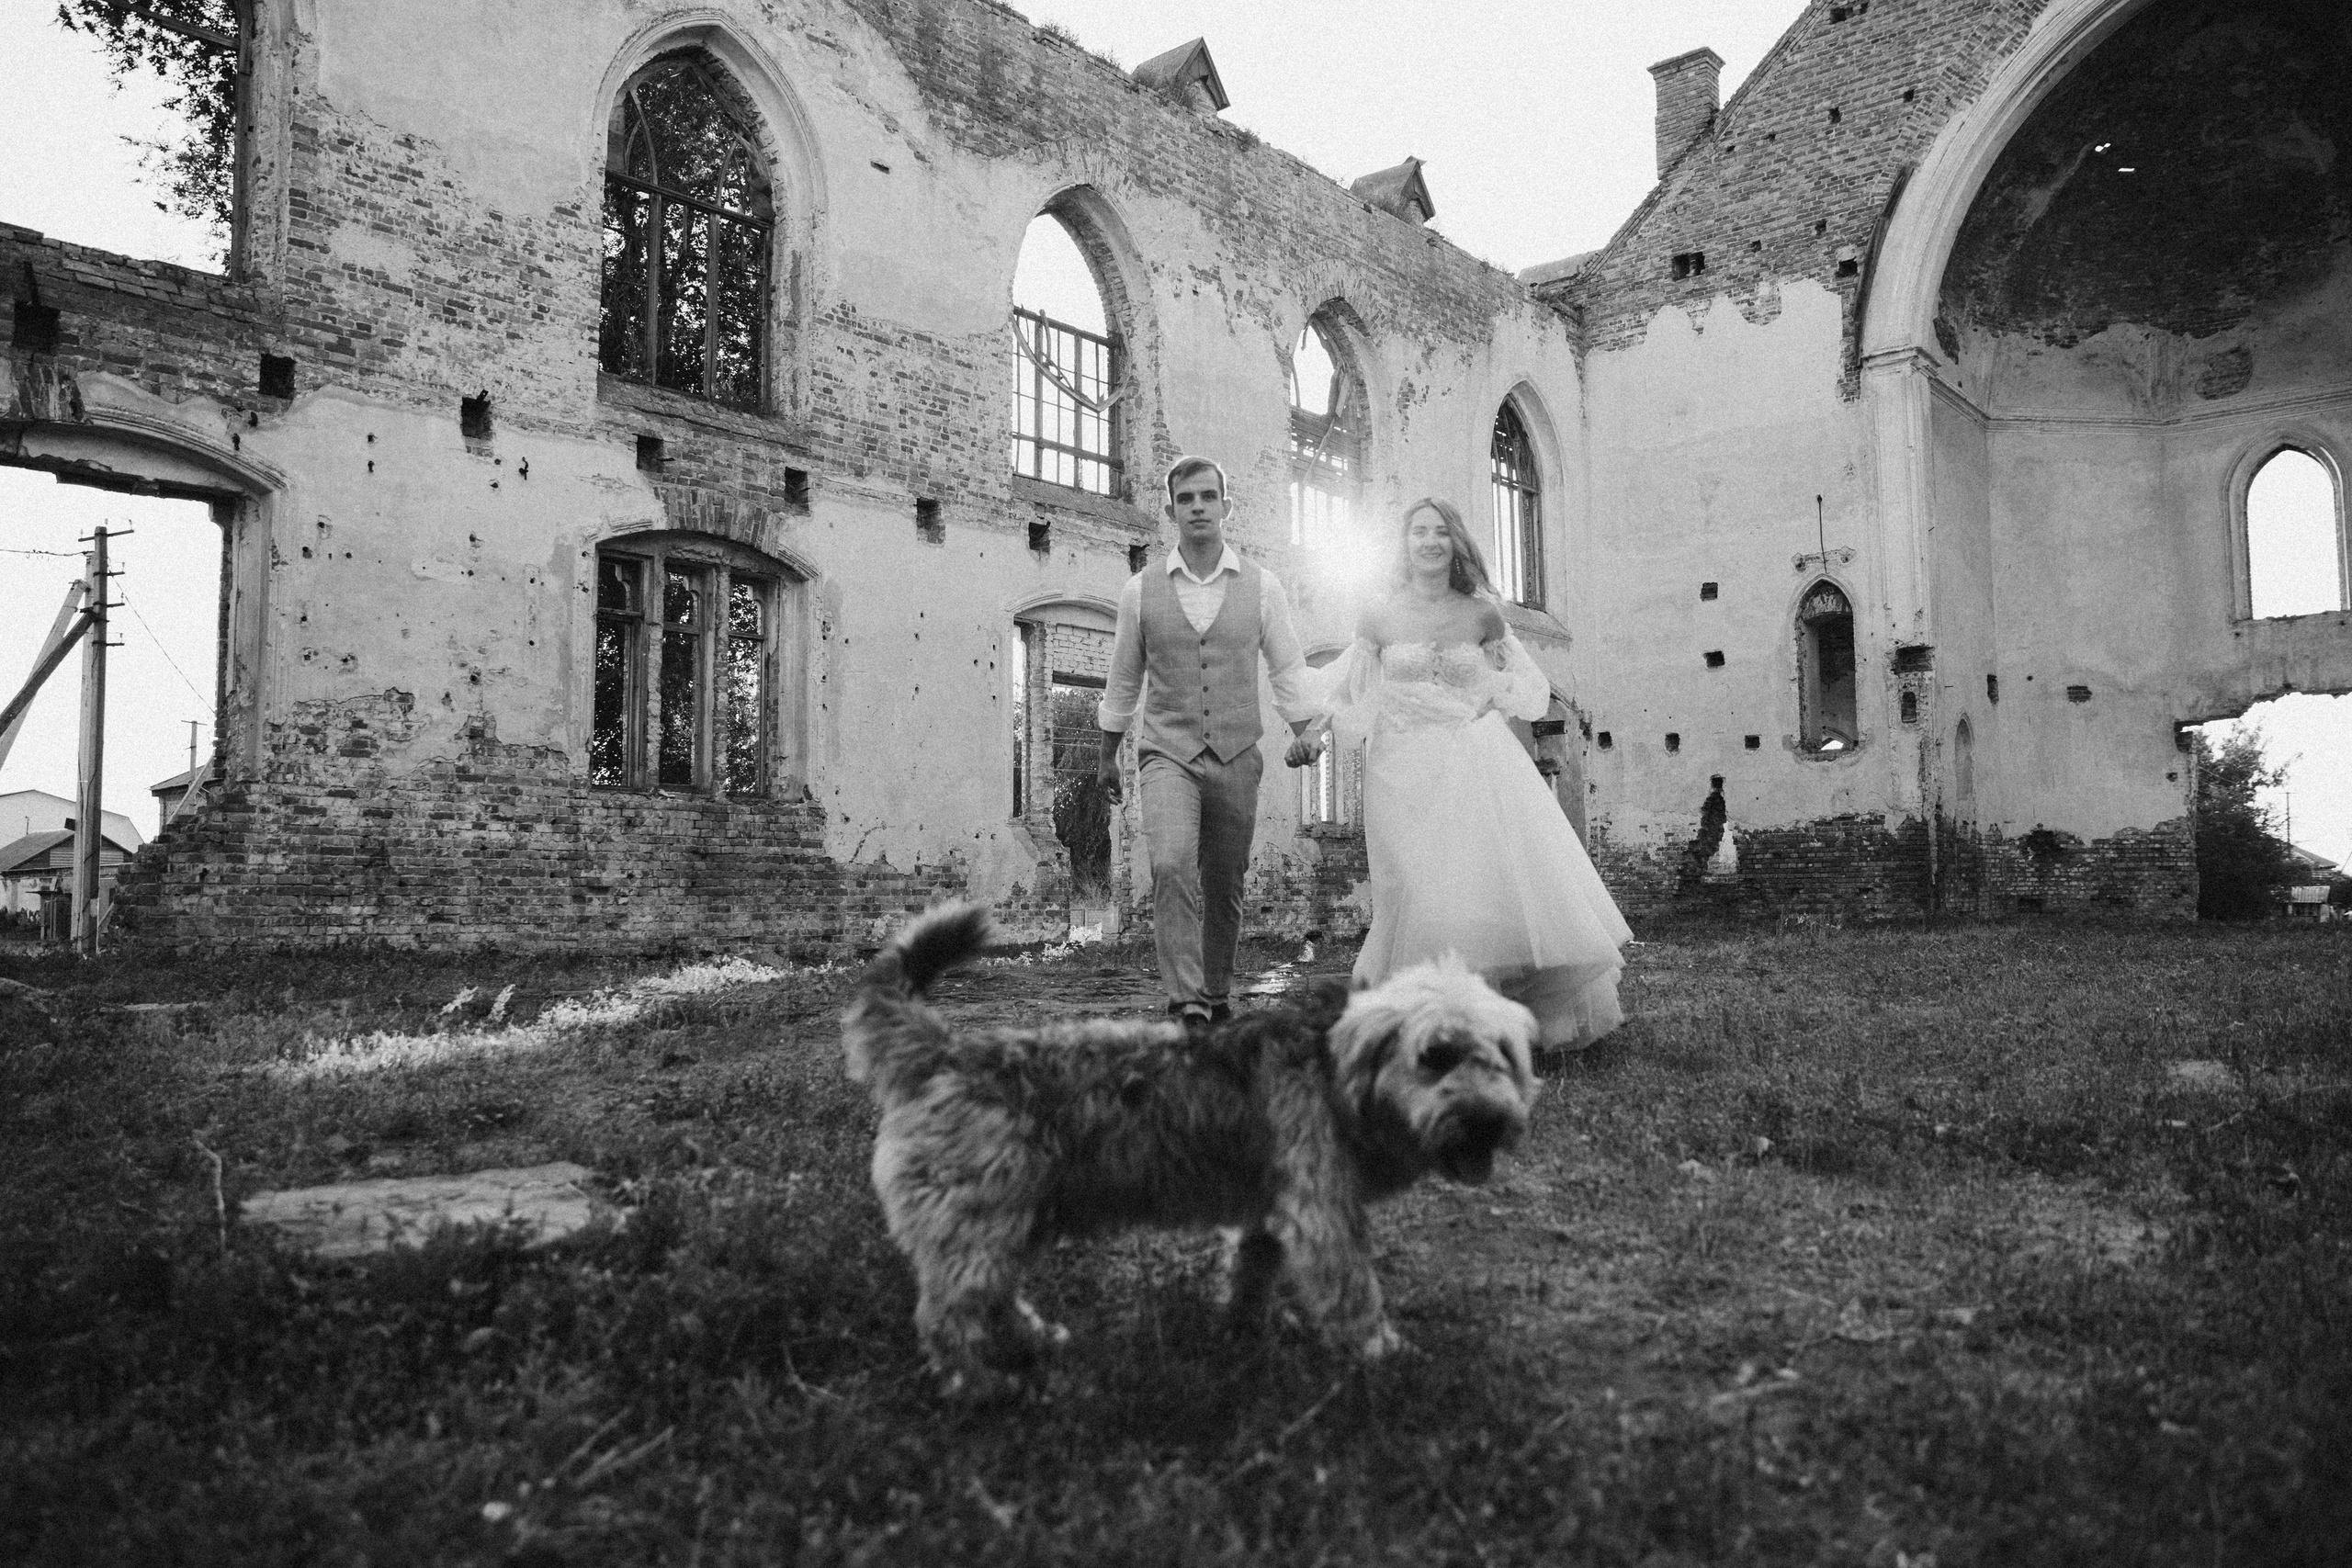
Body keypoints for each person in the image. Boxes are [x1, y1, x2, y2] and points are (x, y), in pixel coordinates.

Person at [1290, 498, 1633, 1051]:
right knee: (1409, 889)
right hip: (1399, 768)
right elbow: (1346, 686)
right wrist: (1312, 731)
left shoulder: (1481, 615)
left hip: (1470, 761)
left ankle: (1482, 1021)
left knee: (1468, 889)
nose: (1429, 541)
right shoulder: (1378, 614)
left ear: (1456, 544)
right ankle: (1419, 1015)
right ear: (1404, 544)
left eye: (1441, 532)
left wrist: (1485, 698)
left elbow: (1527, 685)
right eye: (1418, 532)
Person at [1098, 457, 1323, 1029]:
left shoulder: (1263, 587)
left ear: (1227, 506)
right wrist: (1107, 755)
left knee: (1225, 880)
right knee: (1172, 865)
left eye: (1208, 496)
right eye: (1186, 498)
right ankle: (1187, 1001)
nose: (1198, 506)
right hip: (1165, 751)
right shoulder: (1139, 591)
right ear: (1171, 510)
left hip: (1236, 754)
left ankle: (1217, 993)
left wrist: (1304, 732)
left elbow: (1288, 668)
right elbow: (1124, 678)